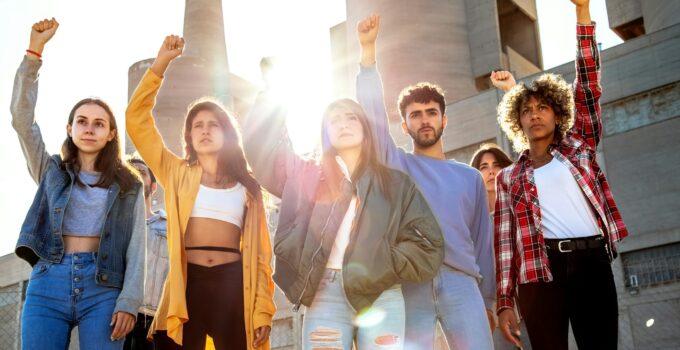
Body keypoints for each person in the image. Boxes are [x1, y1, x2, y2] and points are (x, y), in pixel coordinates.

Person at [243, 59, 444, 350]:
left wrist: (385, 261)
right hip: (325, 295)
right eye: (334, 120)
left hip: (382, 296)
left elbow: (429, 245)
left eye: (351, 118)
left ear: (365, 129)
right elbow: (263, 153)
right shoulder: (306, 176)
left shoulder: (395, 183)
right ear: (325, 132)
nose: (343, 124)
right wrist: (270, 95)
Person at [491, 1, 627, 349]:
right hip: (539, 272)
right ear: (516, 121)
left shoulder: (579, 145)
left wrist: (582, 12)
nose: (535, 115)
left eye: (543, 108)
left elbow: (588, 84)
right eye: (527, 111)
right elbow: (505, 243)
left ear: (557, 114)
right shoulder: (509, 177)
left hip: (591, 262)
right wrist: (505, 300)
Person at [126, 35, 276, 349]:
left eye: (213, 124)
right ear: (189, 136)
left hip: (233, 285)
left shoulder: (248, 187)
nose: (205, 129)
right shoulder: (177, 172)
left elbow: (262, 258)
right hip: (186, 284)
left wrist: (262, 310)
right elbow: (136, 121)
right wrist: (160, 65)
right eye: (197, 125)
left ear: (227, 132)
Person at [355, 15, 495, 349]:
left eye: (431, 112)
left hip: (461, 285)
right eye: (415, 115)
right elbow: (372, 115)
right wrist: (367, 52)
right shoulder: (397, 164)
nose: (424, 120)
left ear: (444, 119)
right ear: (405, 126)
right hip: (410, 284)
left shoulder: (470, 177)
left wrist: (489, 299)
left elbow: (482, 242)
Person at [11, 18, 145, 350]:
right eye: (82, 121)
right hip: (48, 282)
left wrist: (129, 301)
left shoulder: (129, 185)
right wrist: (34, 53)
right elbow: (21, 119)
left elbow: (138, 248)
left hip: (103, 286)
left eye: (99, 123)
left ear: (111, 133)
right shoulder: (50, 170)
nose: (89, 128)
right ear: (70, 128)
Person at [470, 144, 533, 350]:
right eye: (483, 167)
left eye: (496, 165)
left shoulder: (521, 212)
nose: (490, 171)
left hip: (526, 298)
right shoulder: (470, 221)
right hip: (489, 304)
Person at [124, 157, 169, 350]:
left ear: (154, 186)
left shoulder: (171, 227)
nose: (135, 176)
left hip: (156, 321)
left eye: (141, 172)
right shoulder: (113, 228)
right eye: (130, 172)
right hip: (118, 317)